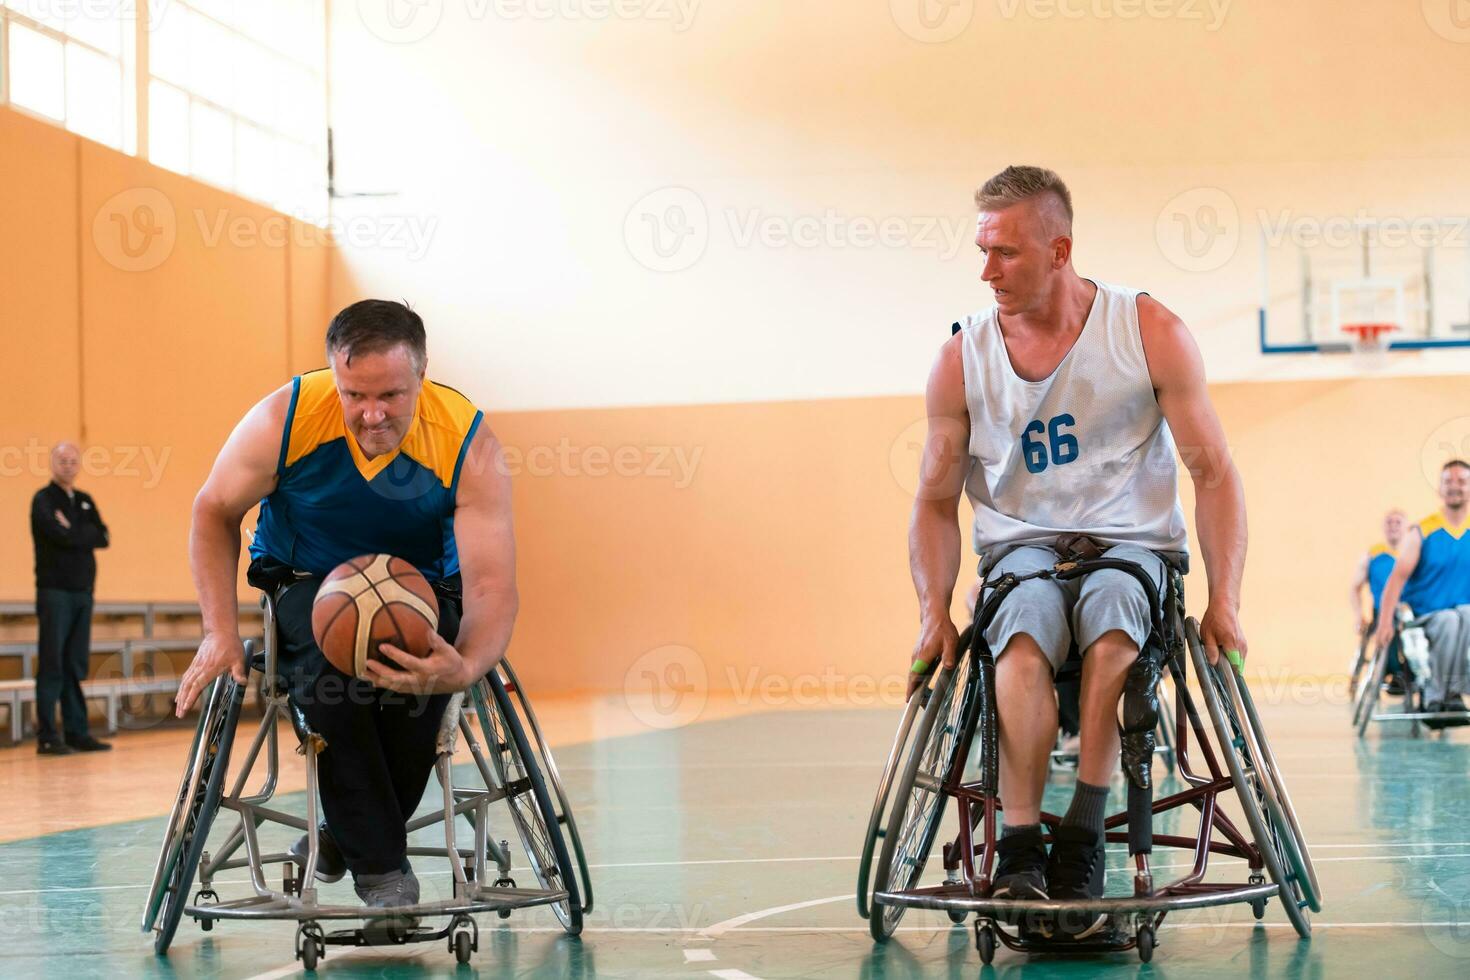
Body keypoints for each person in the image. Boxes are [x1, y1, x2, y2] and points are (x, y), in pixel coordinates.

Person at [906, 166, 1247, 938]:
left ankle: (1086, 835)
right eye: (983, 250)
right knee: (1021, 635)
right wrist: (933, 612)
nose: (986, 270)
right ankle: (1021, 848)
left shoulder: (1147, 330)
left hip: (1132, 547)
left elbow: (1215, 476)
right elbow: (932, 501)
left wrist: (1224, 598)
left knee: (1114, 621)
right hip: (1022, 552)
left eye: (1007, 253)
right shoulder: (962, 357)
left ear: (1060, 250)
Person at [174, 300, 518, 916]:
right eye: (354, 394)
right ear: (334, 374)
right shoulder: (287, 416)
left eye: (390, 394)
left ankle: (347, 835)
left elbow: (491, 585)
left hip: (421, 587)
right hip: (306, 580)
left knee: (424, 670)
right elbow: (213, 510)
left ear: (422, 373)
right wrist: (218, 631)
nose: (371, 412)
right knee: (335, 675)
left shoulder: (467, 440)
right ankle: (383, 867)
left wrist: (463, 667)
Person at [1372, 461, 1470, 726]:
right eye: (1448, 481)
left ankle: (1454, 692)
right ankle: (1434, 696)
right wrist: (1383, 623)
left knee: (1464, 615)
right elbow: (1396, 579)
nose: (1455, 487)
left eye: (1461, 481)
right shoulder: (1422, 531)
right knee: (1451, 620)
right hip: (1425, 616)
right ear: (1439, 488)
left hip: (1463, 616)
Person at [30, 442, 111, 755]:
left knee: (74, 663)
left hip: (82, 593)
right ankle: (48, 735)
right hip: (54, 593)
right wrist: (82, 533)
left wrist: (73, 528)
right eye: (61, 460)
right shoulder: (43, 500)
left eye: (72, 460)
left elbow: (103, 537)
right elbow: (58, 534)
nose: (67, 464)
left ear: (78, 464)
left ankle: (77, 731)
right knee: (52, 662)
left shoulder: (85, 501)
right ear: (53, 463)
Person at [1350, 509, 1405, 633]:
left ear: (1405, 527)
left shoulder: (1414, 554)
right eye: (1389, 523)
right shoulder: (1371, 556)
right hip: (1383, 614)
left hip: (1410, 613)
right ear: (1383, 527)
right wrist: (1359, 616)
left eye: (1398, 523)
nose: (1393, 526)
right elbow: (1355, 588)